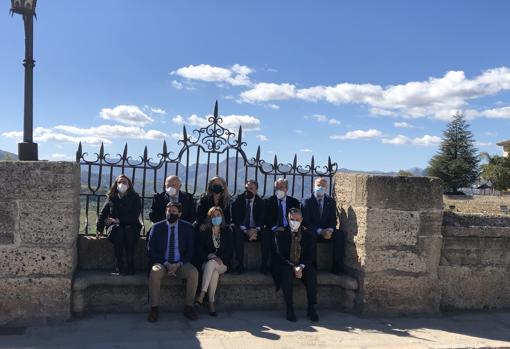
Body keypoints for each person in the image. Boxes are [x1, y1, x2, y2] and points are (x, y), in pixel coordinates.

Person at [147, 202, 199, 322]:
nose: (171, 214)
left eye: (174, 212)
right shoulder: (157, 227)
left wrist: (178, 264)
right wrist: (166, 263)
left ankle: (189, 307)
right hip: (162, 263)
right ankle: (154, 308)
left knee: (193, 272)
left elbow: (190, 251)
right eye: (169, 211)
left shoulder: (187, 228)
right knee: (154, 272)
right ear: (165, 212)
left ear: (180, 214)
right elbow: (151, 250)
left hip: (180, 263)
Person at [272, 208, 319, 322]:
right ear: (288, 219)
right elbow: (279, 255)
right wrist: (293, 267)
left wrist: (301, 266)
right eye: (292, 219)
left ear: (301, 219)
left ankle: (311, 307)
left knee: (311, 274)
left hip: (302, 264)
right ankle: (289, 307)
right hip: (286, 265)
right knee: (287, 274)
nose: (294, 222)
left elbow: (310, 256)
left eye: (297, 219)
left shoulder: (309, 235)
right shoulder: (280, 233)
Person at [97, 174, 142, 275]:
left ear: (129, 185)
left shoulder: (135, 197)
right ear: (116, 185)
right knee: (119, 230)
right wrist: (99, 229)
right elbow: (103, 213)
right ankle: (119, 263)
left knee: (129, 231)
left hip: (132, 225)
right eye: (119, 182)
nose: (122, 184)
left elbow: (134, 215)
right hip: (114, 227)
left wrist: (118, 220)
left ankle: (130, 263)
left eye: (124, 182)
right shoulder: (111, 198)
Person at [302, 177, 345, 274]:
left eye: (323, 186)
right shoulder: (307, 201)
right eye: (318, 185)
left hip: (327, 232)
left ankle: (337, 267)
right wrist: (320, 231)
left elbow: (333, 219)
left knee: (339, 235)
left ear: (326, 188)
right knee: (310, 235)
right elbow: (306, 221)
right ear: (314, 186)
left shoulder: (330, 201)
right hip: (313, 231)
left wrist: (330, 230)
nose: (320, 188)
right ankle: (312, 267)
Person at [196, 206, 233, 316]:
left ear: (221, 216)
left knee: (214, 266)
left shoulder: (227, 231)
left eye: (218, 215)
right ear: (209, 218)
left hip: (223, 263)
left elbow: (230, 251)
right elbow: (199, 250)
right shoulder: (205, 231)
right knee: (214, 271)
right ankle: (211, 303)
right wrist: (210, 256)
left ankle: (202, 295)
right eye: (213, 216)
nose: (216, 217)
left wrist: (219, 259)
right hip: (206, 263)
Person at [262, 178, 300, 273]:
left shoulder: (294, 202)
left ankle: (289, 265)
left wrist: (287, 228)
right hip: (274, 228)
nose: (278, 190)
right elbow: (266, 219)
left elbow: (297, 218)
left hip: (289, 228)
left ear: (286, 189)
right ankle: (265, 265)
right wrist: (275, 227)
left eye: (281, 187)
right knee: (266, 234)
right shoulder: (269, 201)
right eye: (276, 188)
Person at [195, 176, 232, 266]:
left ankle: (225, 261)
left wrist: (227, 225)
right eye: (215, 184)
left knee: (228, 233)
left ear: (223, 186)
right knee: (198, 230)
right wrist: (203, 224)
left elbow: (227, 216)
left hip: (220, 225)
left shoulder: (227, 200)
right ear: (210, 186)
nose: (217, 186)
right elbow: (199, 215)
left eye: (220, 184)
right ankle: (199, 260)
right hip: (206, 224)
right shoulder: (204, 198)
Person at [231, 179, 265, 274]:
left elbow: (262, 220)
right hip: (242, 229)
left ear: (256, 190)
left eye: (251, 188)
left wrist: (255, 231)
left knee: (267, 234)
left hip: (255, 231)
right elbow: (236, 219)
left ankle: (264, 265)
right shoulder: (238, 200)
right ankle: (239, 264)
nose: (248, 191)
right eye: (246, 188)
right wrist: (246, 231)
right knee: (237, 233)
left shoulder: (261, 202)